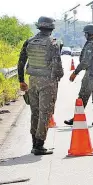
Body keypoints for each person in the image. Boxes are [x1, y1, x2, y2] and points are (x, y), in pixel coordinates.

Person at [18, 16, 64, 155]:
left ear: (39, 27)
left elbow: (21, 62)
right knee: (46, 113)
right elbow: (57, 65)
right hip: (48, 81)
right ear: (51, 28)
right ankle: (39, 145)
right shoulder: (53, 43)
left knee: (35, 112)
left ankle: (34, 143)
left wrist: (21, 80)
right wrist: (58, 78)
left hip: (33, 81)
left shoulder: (29, 41)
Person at [64, 24, 93, 126]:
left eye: (85, 33)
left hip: (91, 75)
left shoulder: (90, 45)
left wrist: (75, 73)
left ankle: (76, 119)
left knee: (82, 95)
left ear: (89, 34)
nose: (85, 35)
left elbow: (85, 62)